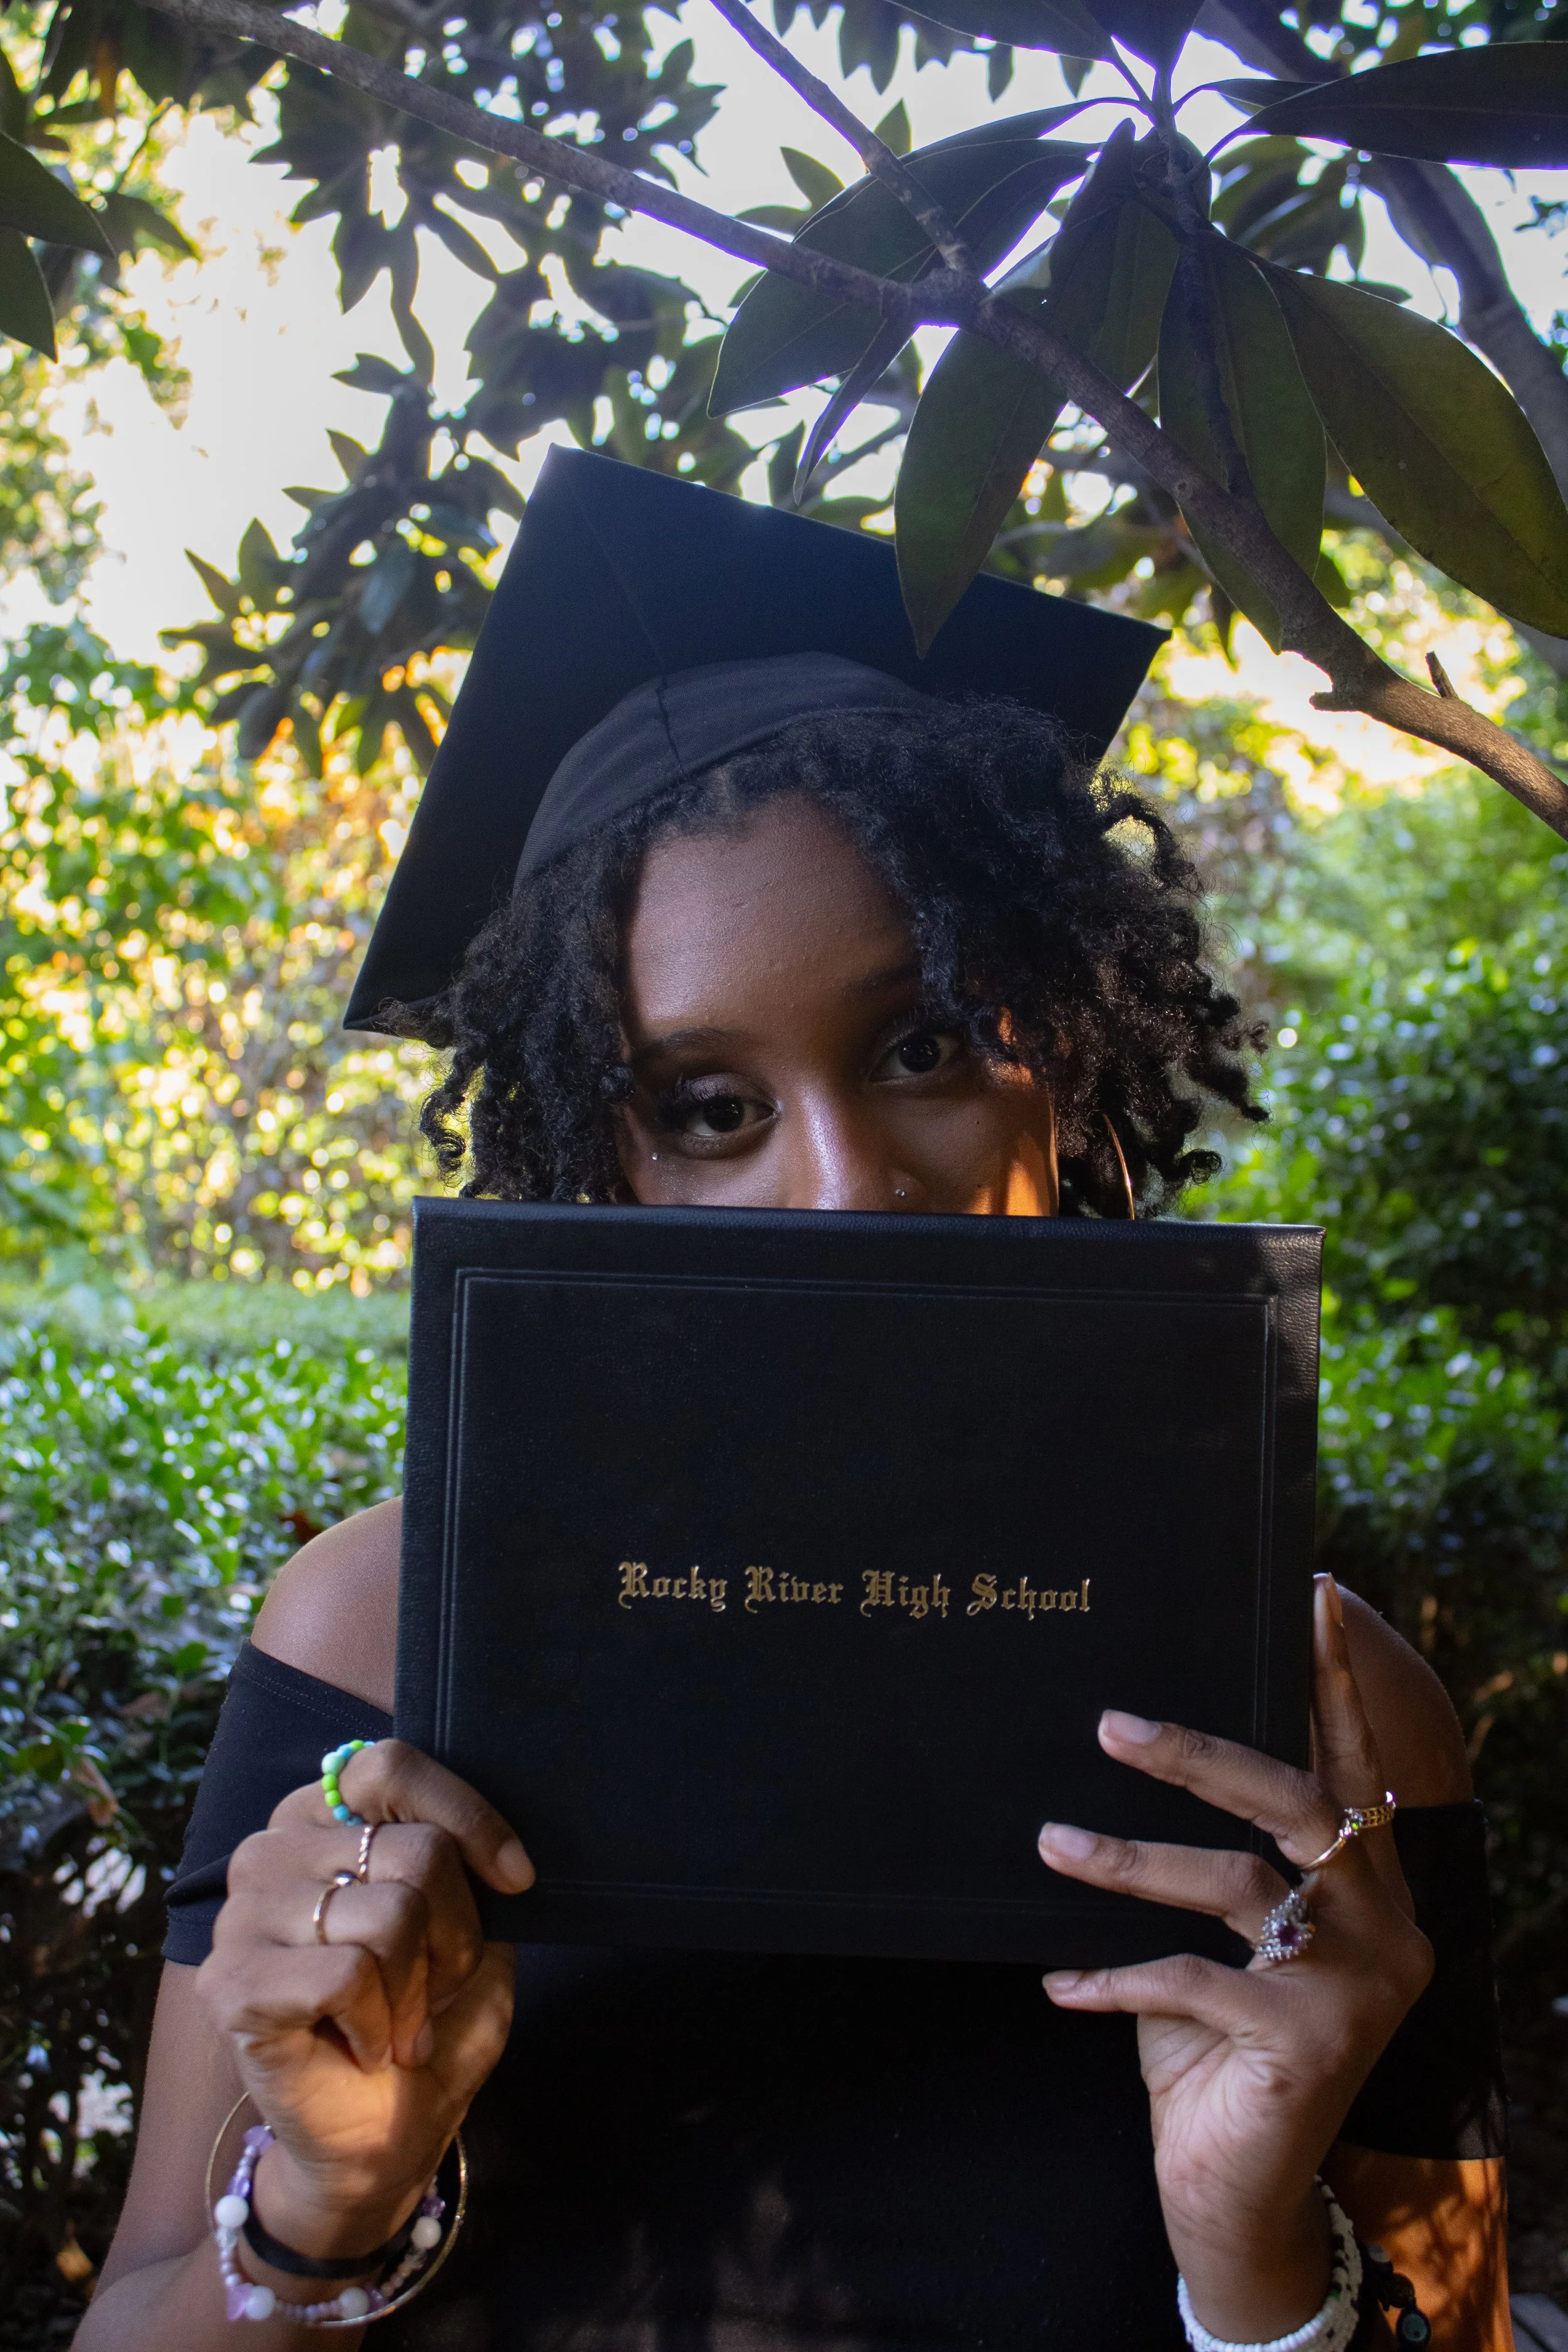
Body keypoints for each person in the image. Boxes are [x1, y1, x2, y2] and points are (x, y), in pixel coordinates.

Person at [81, 452, 1509, 2352]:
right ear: (604, 1166)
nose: (841, 1182)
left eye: (918, 1040)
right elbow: (143, 2319)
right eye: (707, 1106)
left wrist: (1256, 2258)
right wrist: (327, 2203)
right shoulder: (386, 1634)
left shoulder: (1319, 1716)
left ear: (1060, 1054)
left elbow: (1464, 2319)